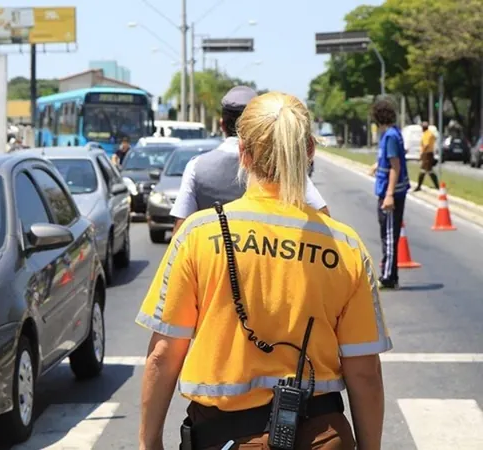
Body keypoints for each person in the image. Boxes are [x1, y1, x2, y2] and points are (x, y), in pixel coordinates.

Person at [136, 92, 389, 450]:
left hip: (221, 437)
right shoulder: (344, 246)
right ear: (311, 151)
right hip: (321, 438)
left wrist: (149, 443)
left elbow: (163, 355)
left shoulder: (198, 235)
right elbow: (364, 372)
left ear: (243, 153)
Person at [170, 86, 330, 235]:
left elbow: (180, 230)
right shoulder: (283, 165)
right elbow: (323, 218)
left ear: (222, 125)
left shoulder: (196, 167)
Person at [368, 99, 409, 290]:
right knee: (386, 233)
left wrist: (390, 195)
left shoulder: (390, 136)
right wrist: (377, 166)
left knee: (390, 236)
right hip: (386, 191)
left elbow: (396, 166)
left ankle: (389, 277)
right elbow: (391, 160)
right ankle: (389, 273)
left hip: (390, 194)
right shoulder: (391, 134)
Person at [414, 121, 440, 191]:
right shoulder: (430, 133)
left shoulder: (426, 134)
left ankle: (419, 186)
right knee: (429, 170)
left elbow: (426, 144)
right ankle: (437, 186)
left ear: (423, 128)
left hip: (427, 154)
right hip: (430, 153)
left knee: (424, 170)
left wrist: (422, 154)